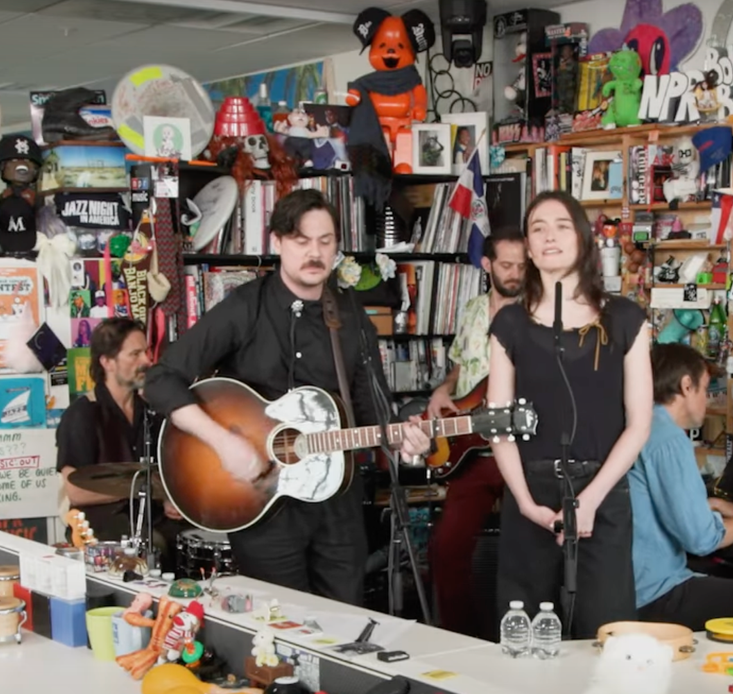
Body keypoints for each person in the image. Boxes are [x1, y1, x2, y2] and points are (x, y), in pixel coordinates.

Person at [142, 189, 430, 606]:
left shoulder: (350, 317)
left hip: (338, 504)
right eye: (301, 240)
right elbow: (161, 379)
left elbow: (375, 412)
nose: (314, 253)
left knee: (343, 624)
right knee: (280, 628)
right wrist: (225, 443)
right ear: (277, 242)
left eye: (325, 241)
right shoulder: (246, 307)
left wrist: (404, 441)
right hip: (262, 502)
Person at [487, 190, 653, 639]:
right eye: (537, 229)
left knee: (608, 634)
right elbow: (498, 426)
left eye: (561, 226)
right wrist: (523, 501)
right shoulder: (509, 324)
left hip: (602, 491)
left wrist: (591, 500)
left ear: (582, 238)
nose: (549, 237)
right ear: (527, 244)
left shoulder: (625, 319)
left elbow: (639, 422)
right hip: (532, 493)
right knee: (524, 637)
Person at [629, 343, 733, 631]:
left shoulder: (643, 424)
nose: (707, 400)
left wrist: (712, 504)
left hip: (630, 585)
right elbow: (701, 540)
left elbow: (656, 503)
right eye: (705, 388)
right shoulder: (670, 439)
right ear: (686, 386)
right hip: (655, 594)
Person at [426, 227, 527, 637]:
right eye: (506, 264)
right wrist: (443, 389)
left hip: (520, 454)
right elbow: (458, 364)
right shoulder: (471, 310)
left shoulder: (536, 314)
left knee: (525, 557)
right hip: (471, 453)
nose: (515, 273)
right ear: (486, 265)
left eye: (522, 265)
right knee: (446, 548)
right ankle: (462, 639)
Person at [56, 318, 186, 569]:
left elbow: (167, 472)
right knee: (153, 546)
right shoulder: (82, 415)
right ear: (107, 362)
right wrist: (141, 488)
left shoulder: (153, 412)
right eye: (135, 354)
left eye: (146, 352)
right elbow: (76, 491)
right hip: (101, 523)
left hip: (152, 517)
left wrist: (171, 498)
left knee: (198, 540)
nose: (147, 361)